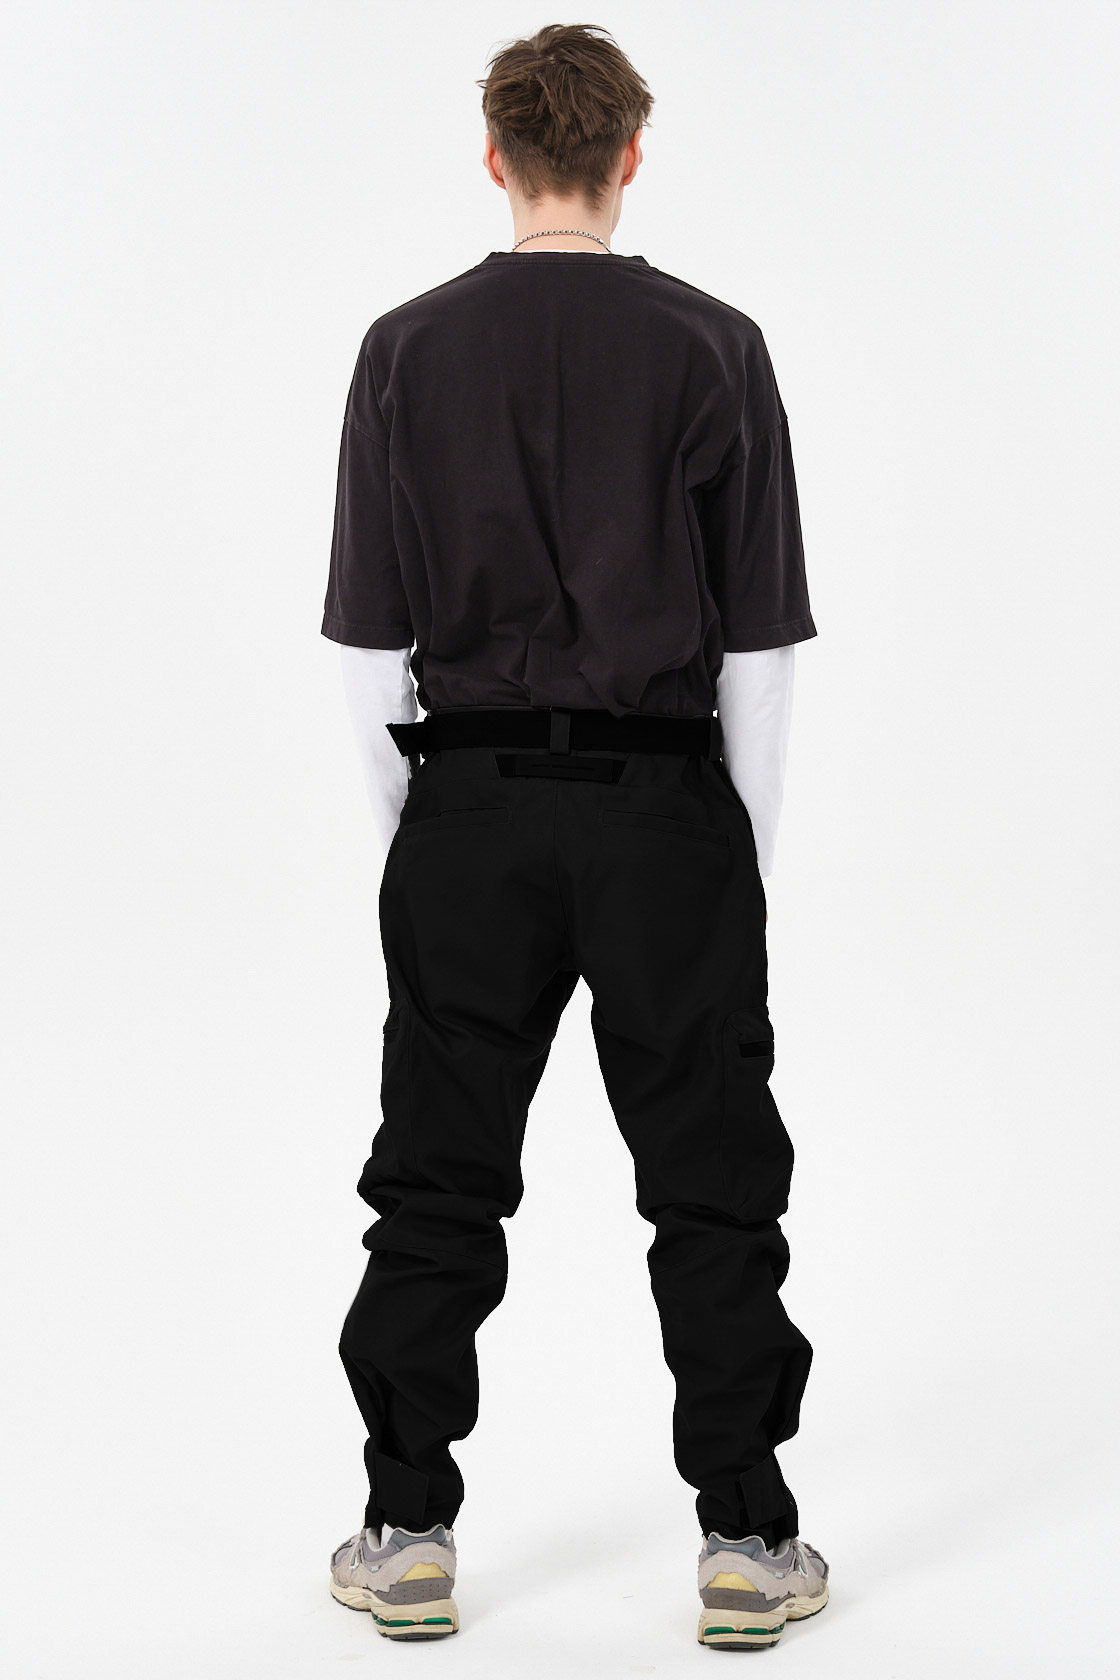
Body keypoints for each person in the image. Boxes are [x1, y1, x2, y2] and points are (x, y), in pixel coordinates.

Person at [321, 23, 828, 1651]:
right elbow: (759, 650)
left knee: (435, 1179)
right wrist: (731, 854)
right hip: (666, 808)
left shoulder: (403, 350)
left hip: (465, 808)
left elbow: (366, 646)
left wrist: (429, 831)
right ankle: (747, 1538)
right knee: (712, 1180)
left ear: (496, 155)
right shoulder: (717, 348)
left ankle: (406, 1528)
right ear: (628, 158)